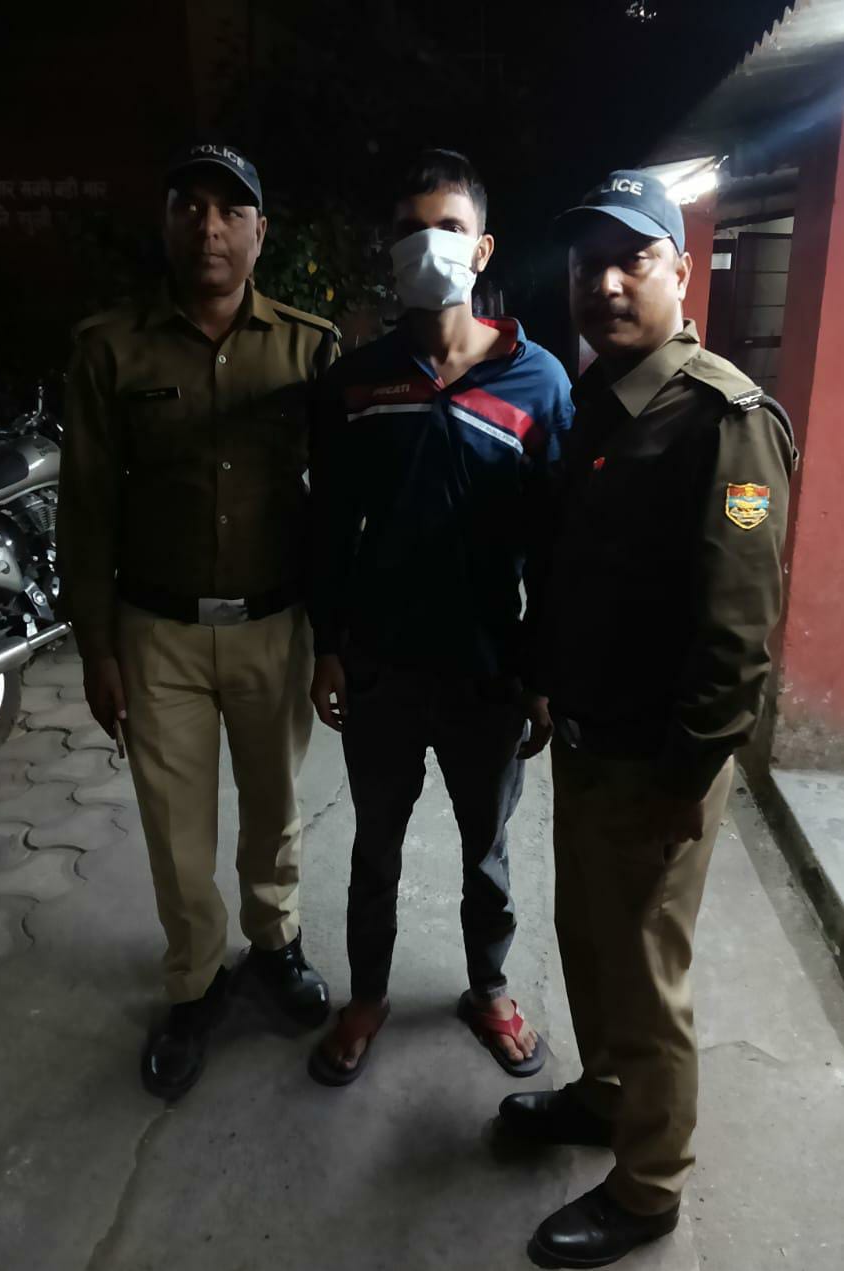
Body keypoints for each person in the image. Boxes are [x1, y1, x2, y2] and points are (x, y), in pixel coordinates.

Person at [499, 171, 797, 1268]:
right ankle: (606, 1093)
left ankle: (648, 1184)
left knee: (644, 970)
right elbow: (574, 571)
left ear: (680, 270)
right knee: (590, 942)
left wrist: (685, 778)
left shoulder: (722, 420)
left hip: (658, 764)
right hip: (589, 742)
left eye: (632, 260)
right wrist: (545, 679)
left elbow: (736, 630)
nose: (607, 284)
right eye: (590, 266)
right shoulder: (601, 399)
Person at [57, 141, 339, 1100]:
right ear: (166, 222)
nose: (209, 228)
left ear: (261, 232)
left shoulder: (308, 348)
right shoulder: (111, 348)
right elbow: (86, 507)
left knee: (274, 807)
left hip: (274, 623)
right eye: (189, 207)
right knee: (175, 828)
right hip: (156, 633)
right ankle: (194, 981)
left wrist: (334, 639)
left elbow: (338, 505)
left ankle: (276, 943)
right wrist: (96, 646)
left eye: (231, 211)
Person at [306, 149, 574, 1085]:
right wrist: (326, 648)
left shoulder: (539, 382)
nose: (430, 245)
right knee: (374, 846)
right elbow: (328, 526)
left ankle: (488, 988)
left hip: (486, 672)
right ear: (391, 251)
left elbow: (552, 545)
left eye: (449, 228)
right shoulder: (357, 381)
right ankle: (367, 996)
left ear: (482, 247)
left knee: (485, 851)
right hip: (379, 666)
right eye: (411, 230)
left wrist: (540, 674)